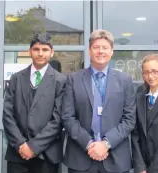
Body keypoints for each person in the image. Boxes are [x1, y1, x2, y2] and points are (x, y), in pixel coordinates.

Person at [61, 29, 136, 173]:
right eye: (96, 47)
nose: (100, 51)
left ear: (112, 51)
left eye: (105, 47)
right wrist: (89, 144)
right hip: (81, 158)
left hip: (115, 159)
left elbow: (129, 119)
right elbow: (67, 117)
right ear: (89, 50)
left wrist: (106, 144)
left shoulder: (125, 80)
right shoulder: (73, 79)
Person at [2, 33, 67, 173]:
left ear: (52, 52)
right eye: (36, 49)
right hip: (17, 154)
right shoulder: (16, 78)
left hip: (47, 155)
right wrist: (21, 144)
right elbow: (8, 115)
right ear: (29, 51)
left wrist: (33, 147)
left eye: (45, 50)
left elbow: (58, 120)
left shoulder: (60, 81)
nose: (40, 53)